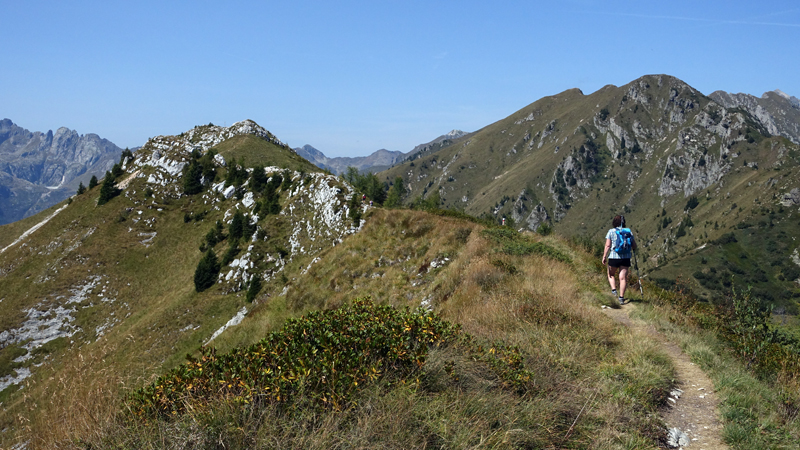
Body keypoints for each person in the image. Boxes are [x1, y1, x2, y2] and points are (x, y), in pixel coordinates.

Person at [601, 215, 637, 305]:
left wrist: (604, 256)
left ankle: (614, 291)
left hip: (614, 257)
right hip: (626, 258)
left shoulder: (611, 231)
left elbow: (608, 245)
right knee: (622, 278)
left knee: (610, 274)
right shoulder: (628, 232)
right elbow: (634, 246)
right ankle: (621, 298)